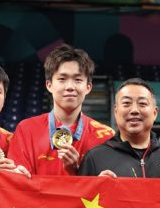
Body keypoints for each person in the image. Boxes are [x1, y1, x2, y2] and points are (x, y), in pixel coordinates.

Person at [10, 44, 114, 176]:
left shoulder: (106, 136)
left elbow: (105, 190)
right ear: (49, 85)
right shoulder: (26, 130)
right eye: (62, 79)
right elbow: (17, 184)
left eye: (77, 80)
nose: (70, 86)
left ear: (88, 87)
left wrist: (78, 171)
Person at [79, 79, 160, 178]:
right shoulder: (95, 158)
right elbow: (81, 198)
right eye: (126, 103)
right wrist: (98, 187)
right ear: (116, 112)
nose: (134, 110)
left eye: (142, 103)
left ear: (155, 113)